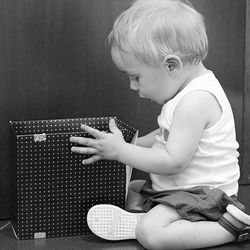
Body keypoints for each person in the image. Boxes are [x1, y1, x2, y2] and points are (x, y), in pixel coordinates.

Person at [70, 0, 250, 249]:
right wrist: (133, 143)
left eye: (136, 77)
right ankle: (152, 218)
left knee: (151, 235)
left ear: (172, 65)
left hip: (204, 196)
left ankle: (230, 228)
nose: (133, 86)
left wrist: (122, 152)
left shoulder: (196, 101)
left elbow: (173, 161)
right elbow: (168, 134)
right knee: (133, 189)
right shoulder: (186, 92)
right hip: (181, 191)